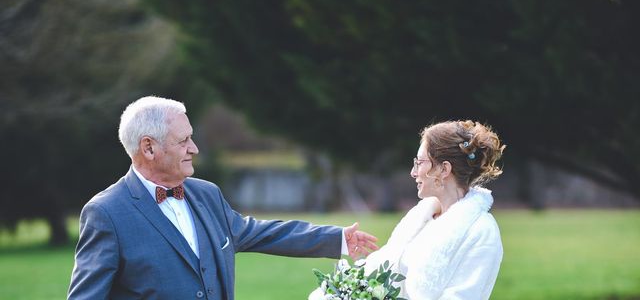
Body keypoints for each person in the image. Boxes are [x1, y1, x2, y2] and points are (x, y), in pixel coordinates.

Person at [68, 96, 378, 300]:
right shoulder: (106, 213)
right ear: (149, 148)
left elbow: (260, 233)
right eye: (183, 141)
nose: (195, 148)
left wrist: (336, 239)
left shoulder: (207, 194)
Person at [362, 120, 505, 300]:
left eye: (420, 162)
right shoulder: (420, 216)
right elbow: (380, 270)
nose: (414, 172)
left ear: (444, 169)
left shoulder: (482, 231)